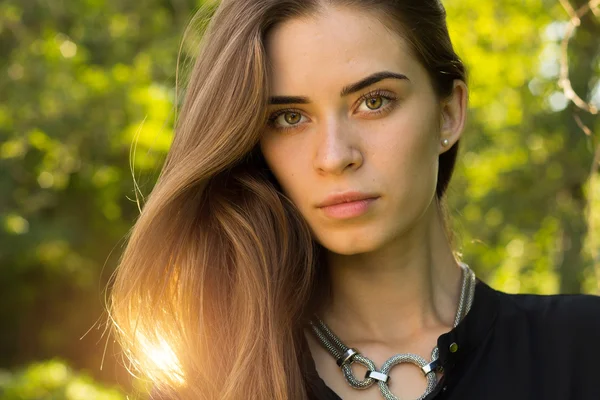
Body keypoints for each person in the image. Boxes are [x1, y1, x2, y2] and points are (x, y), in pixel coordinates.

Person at [108, 0, 600, 399]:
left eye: (374, 101)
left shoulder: (583, 347)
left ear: (449, 113)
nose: (334, 156)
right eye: (289, 118)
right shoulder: (209, 387)